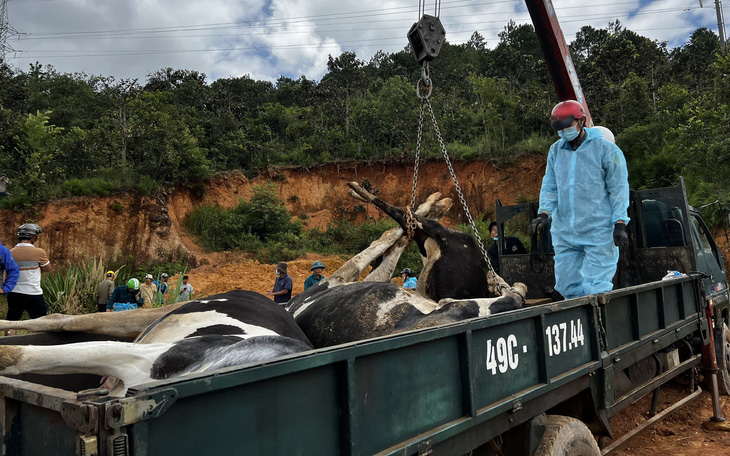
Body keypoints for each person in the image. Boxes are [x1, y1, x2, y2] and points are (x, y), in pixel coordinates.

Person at [530, 100, 629, 300]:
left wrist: (619, 222)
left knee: (596, 286)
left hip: (598, 229)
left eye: (568, 127)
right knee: (567, 284)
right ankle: (578, 323)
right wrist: (544, 212)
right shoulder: (556, 150)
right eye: (560, 129)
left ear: (581, 121)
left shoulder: (606, 150)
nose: (564, 132)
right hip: (565, 230)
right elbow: (550, 185)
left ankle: (597, 324)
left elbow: (618, 188)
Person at [7, 224, 51, 334]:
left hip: (14, 292)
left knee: (12, 322)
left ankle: (8, 344)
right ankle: (36, 346)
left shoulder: (10, 252)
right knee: (40, 322)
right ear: (33, 237)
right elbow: (48, 268)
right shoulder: (39, 252)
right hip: (33, 292)